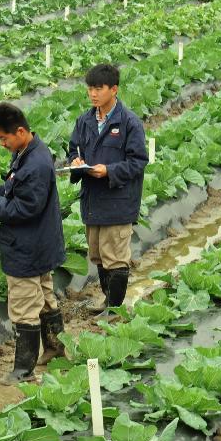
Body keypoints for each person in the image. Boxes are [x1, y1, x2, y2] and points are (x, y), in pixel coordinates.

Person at [0, 103, 66, 384]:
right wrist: (0, 190)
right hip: (39, 243)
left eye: (4, 139)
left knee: (24, 306)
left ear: (20, 131)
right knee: (44, 296)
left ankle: (23, 370)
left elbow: (25, 209)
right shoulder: (30, 152)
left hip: (27, 248)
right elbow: (21, 187)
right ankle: (55, 348)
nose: (3, 144)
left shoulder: (36, 163)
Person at [68, 64, 148, 315]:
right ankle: (107, 301)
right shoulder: (84, 121)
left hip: (118, 200)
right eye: (90, 88)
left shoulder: (129, 123)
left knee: (115, 257)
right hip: (93, 199)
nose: (93, 94)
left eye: (98, 88)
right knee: (98, 255)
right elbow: (73, 149)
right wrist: (75, 162)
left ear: (114, 90)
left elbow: (138, 161)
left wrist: (109, 171)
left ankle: (114, 308)